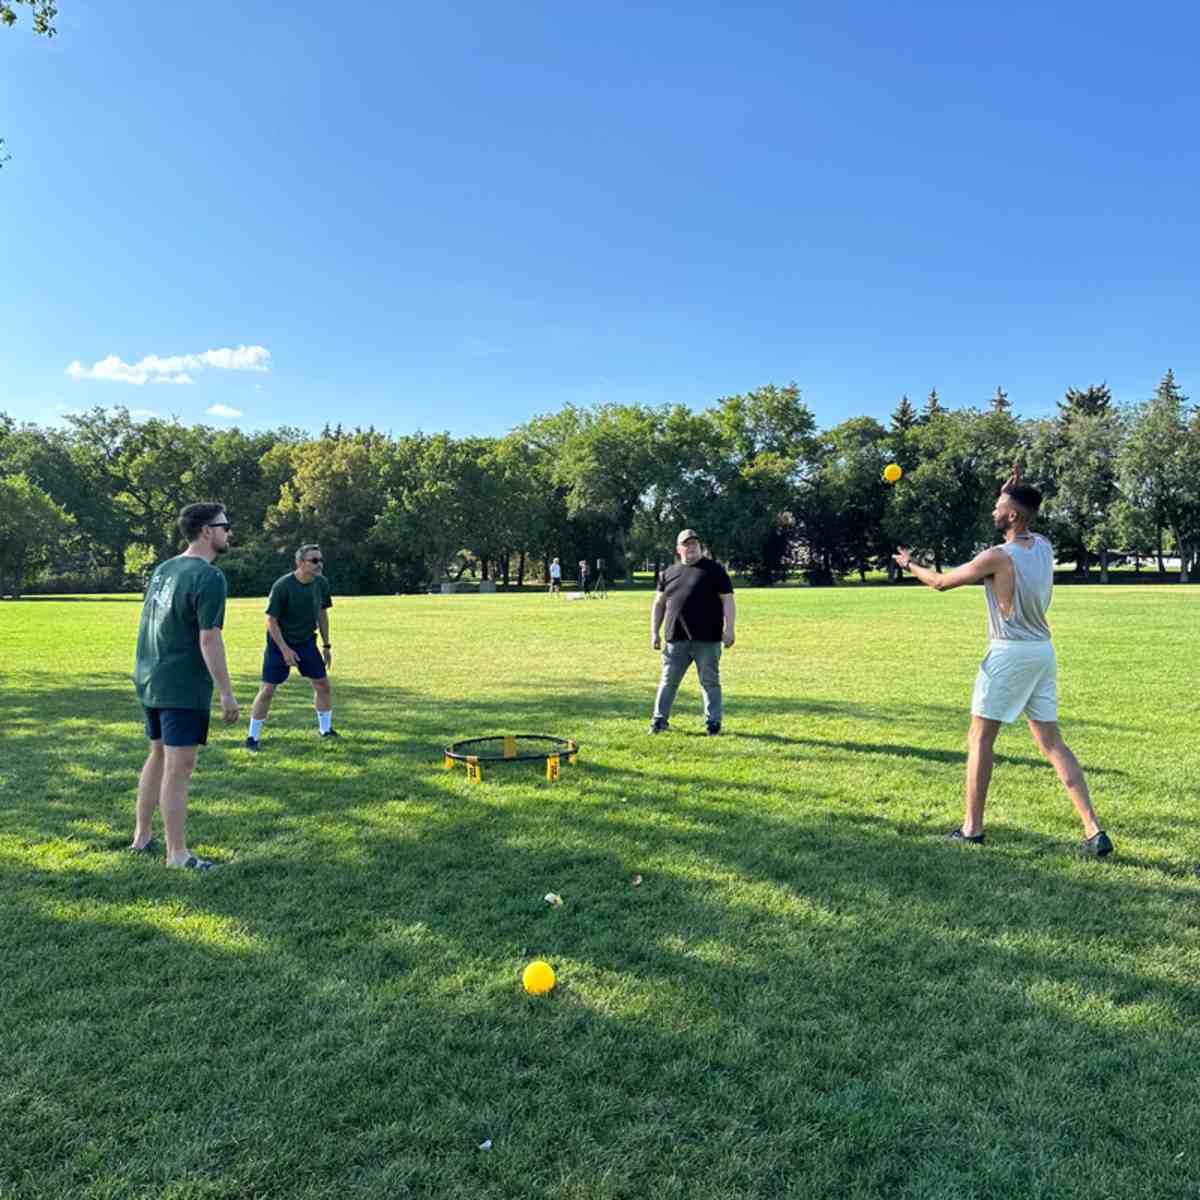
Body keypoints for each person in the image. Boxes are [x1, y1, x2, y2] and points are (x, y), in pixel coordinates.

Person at [893, 470, 1113, 856]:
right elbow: (1020, 509)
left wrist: (910, 563)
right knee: (1052, 742)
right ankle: (1094, 830)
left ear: (1012, 516)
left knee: (980, 738)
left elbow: (941, 583)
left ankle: (972, 830)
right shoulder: (1043, 545)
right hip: (1043, 652)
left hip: (1009, 653)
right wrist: (1011, 490)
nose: (994, 509)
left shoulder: (997, 557)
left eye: (999, 506)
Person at [131, 502, 239, 869]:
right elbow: (209, 639)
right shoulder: (209, 577)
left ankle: (142, 836)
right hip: (180, 684)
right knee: (181, 766)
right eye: (225, 526)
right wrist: (226, 692)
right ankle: (177, 854)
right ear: (207, 531)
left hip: (150, 677)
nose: (229, 532)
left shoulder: (165, 568)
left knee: (158, 754)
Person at [245, 544, 336, 751]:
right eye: (314, 560)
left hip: (306, 642)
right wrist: (285, 649)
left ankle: (326, 730)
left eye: (321, 560)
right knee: (267, 690)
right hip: (279, 643)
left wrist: (327, 645)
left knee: (323, 685)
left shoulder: (321, 583)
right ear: (300, 563)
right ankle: (252, 738)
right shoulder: (283, 586)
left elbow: (322, 614)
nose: (319, 564)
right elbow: (271, 620)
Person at [649, 529, 736, 735]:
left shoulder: (715, 570)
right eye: (686, 544)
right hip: (675, 639)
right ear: (679, 549)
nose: (691, 547)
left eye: (694, 544)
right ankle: (659, 720)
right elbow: (659, 604)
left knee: (710, 682)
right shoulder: (668, 573)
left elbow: (728, 600)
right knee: (668, 681)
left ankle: (713, 723)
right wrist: (654, 632)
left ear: (700, 547)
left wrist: (729, 628)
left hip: (708, 639)